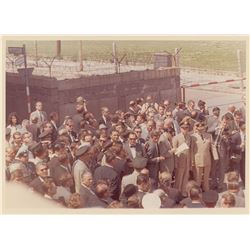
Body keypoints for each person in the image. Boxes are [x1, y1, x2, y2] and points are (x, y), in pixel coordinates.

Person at [172, 121, 193, 196]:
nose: (185, 129)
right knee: (179, 178)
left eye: (186, 128)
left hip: (187, 161)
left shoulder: (189, 137)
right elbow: (174, 151)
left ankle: (183, 192)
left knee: (185, 177)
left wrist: (190, 162)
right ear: (180, 128)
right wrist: (175, 163)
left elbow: (190, 150)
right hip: (179, 160)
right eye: (183, 128)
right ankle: (177, 193)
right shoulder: (176, 138)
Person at [191, 121, 213, 192]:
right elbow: (191, 150)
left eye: (202, 128)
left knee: (206, 177)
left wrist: (216, 158)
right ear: (196, 128)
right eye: (199, 128)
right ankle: (196, 192)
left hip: (207, 158)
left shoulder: (209, 136)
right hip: (197, 159)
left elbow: (212, 147)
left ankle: (206, 190)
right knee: (198, 178)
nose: (201, 130)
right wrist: (192, 161)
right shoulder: (193, 137)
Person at [230, 121, 245, 187]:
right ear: (240, 126)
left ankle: (245, 184)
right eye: (244, 126)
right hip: (237, 155)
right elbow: (232, 147)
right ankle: (235, 186)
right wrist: (239, 146)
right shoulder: (235, 135)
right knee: (236, 171)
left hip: (244, 154)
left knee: (244, 170)